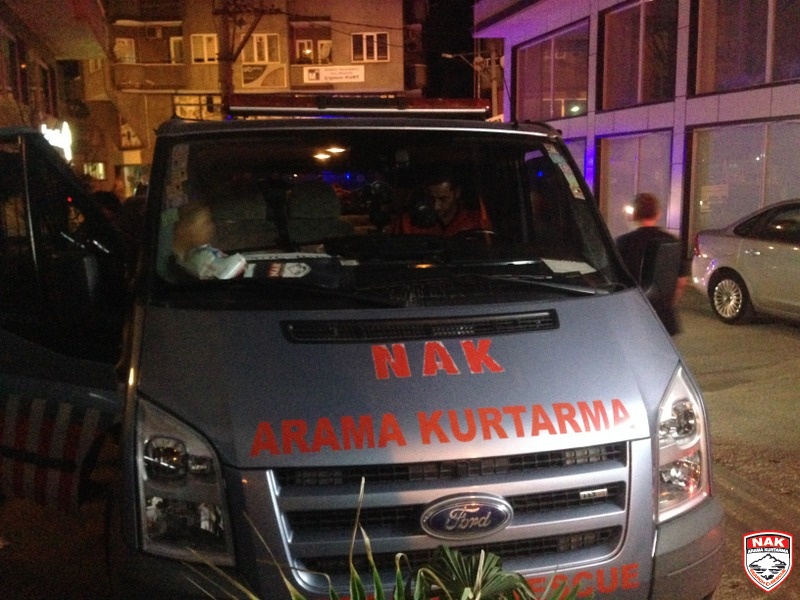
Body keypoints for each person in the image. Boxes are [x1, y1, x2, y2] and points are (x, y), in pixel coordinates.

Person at [616, 192, 688, 335]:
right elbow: (681, 282)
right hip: (664, 318)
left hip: (633, 316)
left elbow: (615, 280)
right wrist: (667, 304)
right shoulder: (671, 241)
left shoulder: (623, 242)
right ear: (657, 214)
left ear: (634, 214)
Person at [389, 164, 492, 237]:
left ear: (457, 193)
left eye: (443, 199)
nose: (436, 206)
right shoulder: (406, 223)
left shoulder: (477, 221)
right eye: (430, 198)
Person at [172, 203, 246, 279]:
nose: (211, 227)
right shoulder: (187, 263)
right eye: (205, 224)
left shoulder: (195, 251)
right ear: (186, 228)